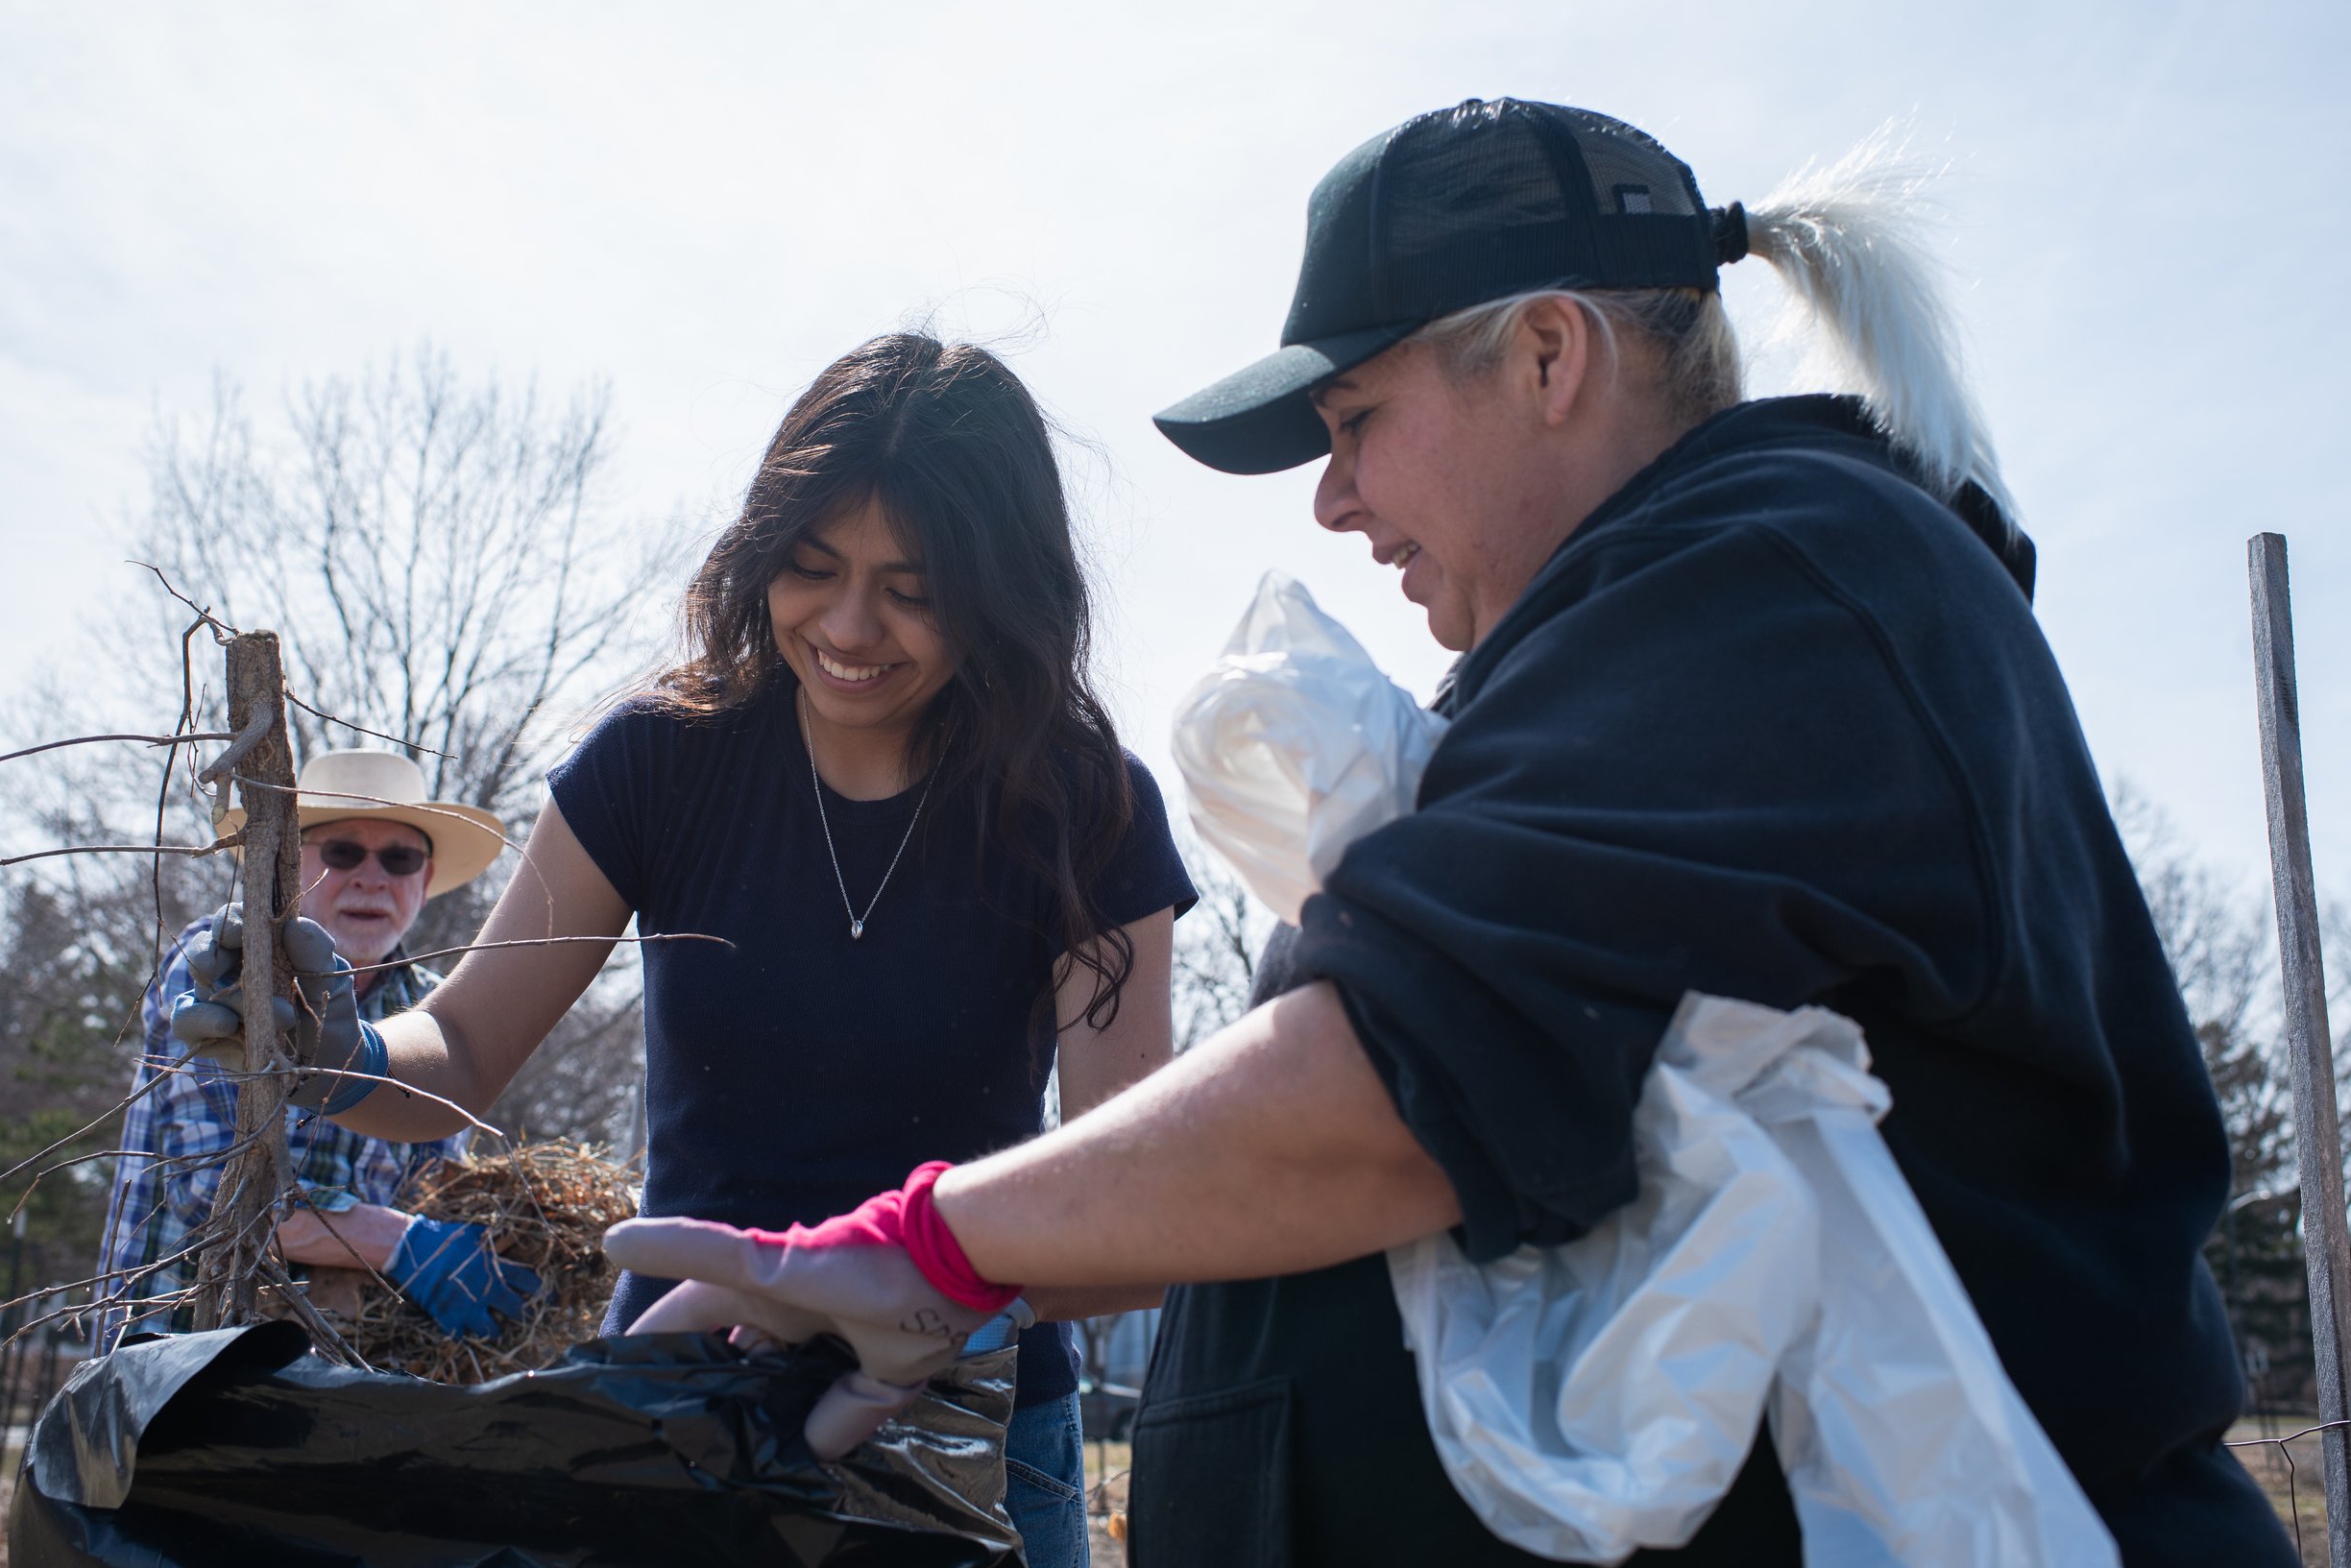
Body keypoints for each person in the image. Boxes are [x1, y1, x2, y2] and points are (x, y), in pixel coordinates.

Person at [597, 100, 2295, 1566]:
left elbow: (1403, 1082)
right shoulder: (1638, 640)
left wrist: (921, 1247)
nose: (1332, 502)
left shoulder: (1779, 581)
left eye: (1352, 427)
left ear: (1549, 354)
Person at [177, 334, 1197, 1568]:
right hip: (673, 1407)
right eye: (809, 567)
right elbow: (465, 1042)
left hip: (974, 1422)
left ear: (1005, 589)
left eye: (914, 588)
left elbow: (1132, 1210)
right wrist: (330, 1045)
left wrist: (939, 1279)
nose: (849, 625)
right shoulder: (658, 760)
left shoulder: (1087, 809)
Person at [98, 749, 539, 1343]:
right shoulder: (224, 965)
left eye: (400, 858)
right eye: (342, 852)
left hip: (347, 1371)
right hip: (176, 1354)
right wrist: (401, 1243)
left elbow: (435, 1188)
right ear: (285, 866)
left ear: (425, 880)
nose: (371, 877)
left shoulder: (434, 1011)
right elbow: (215, 1194)